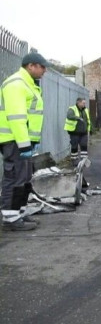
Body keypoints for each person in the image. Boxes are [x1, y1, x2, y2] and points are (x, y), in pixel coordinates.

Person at [0, 52, 48, 231]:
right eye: (42, 67)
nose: (45, 71)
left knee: (24, 179)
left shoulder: (27, 84)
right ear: (31, 66)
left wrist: (30, 141)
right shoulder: (16, 84)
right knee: (14, 179)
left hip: (21, 141)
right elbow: (17, 117)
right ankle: (10, 219)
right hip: (15, 141)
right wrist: (24, 143)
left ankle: (18, 214)